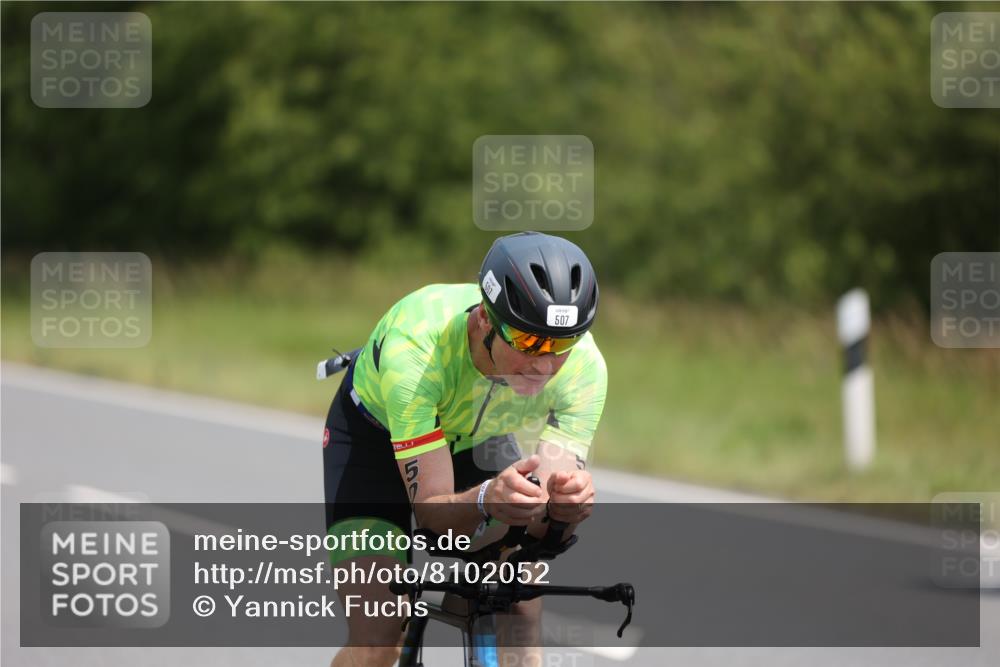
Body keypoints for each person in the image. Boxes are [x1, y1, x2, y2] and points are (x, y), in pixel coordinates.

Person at [323, 231, 607, 667]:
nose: (544, 365)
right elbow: (433, 512)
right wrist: (486, 498)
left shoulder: (585, 367)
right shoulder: (416, 351)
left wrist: (565, 508)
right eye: (529, 342)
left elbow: (543, 523)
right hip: (373, 441)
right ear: (485, 320)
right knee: (378, 638)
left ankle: (473, 606)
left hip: (477, 439)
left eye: (562, 344)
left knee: (519, 613)